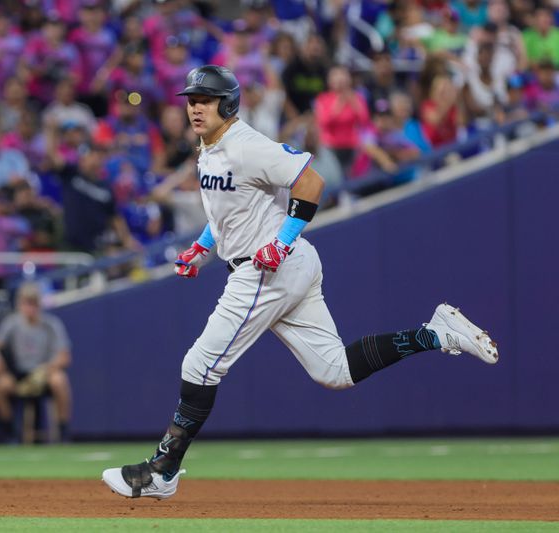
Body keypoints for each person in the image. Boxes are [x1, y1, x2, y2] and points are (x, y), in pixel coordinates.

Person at [101, 65, 499, 500]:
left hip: (266, 268)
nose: (195, 107)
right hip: (282, 266)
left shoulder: (246, 145)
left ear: (228, 103)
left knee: (199, 365)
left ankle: (162, 471)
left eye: (206, 99)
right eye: (191, 100)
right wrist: (201, 246)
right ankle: (435, 333)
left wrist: (283, 241)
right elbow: (231, 213)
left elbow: (311, 181)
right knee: (335, 371)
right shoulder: (208, 149)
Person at [0, 284, 73, 442]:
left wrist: (47, 369)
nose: (30, 308)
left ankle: (63, 429)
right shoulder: (12, 322)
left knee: (59, 380)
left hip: (44, 375)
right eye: (26, 303)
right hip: (20, 375)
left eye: (34, 303)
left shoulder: (51, 324)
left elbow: (64, 356)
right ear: (20, 304)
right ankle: (11, 432)